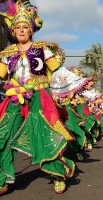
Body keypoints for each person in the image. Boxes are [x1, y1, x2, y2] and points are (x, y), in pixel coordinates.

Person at [0, 0, 75, 194]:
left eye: (25, 27)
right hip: (15, 96)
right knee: (3, 134)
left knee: (45, 135)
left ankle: (58, 173)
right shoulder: (8, 53)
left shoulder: (42, 48)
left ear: (31, 30)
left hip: (39, 96)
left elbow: (57, 71)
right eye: (18, 28)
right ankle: (3, 178)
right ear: (13, 32)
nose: (21, 30)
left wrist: (71, 86)